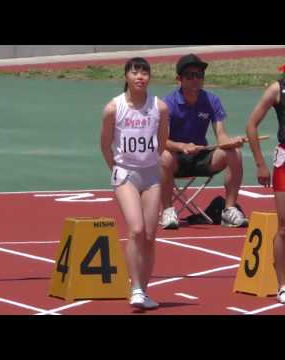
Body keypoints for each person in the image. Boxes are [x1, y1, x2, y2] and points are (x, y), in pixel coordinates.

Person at [100, 57, 169, 310]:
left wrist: (150, 161)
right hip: (125, 174)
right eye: (135, 72)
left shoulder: (159, 108)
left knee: (150, 236)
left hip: (151, 174)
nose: (140, 77)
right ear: (127, 76)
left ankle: (145, 290)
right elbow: (105, 144)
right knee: (137, 230)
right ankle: (135, 287)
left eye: (145, 73)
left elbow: (162, 143)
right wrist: (116, 169)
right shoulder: (113, 108)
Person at [160, 53, 248, 229]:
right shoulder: (167, 103)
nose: (195, 79)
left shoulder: (211, 100)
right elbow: (162, 141)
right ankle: (168, 210)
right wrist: (182, 146)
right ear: (179, 79)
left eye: (199, 75)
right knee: (164, 156)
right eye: (190, 76)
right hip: (176, 160)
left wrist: (231, 142)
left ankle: (228, 210)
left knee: (234, 153)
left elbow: (221, 136)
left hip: (201, 157)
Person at [245, 67, 285, 304]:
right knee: (283, 227)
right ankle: (282, 284)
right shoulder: (276, 88)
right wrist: (260, 163)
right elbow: (251, 125)